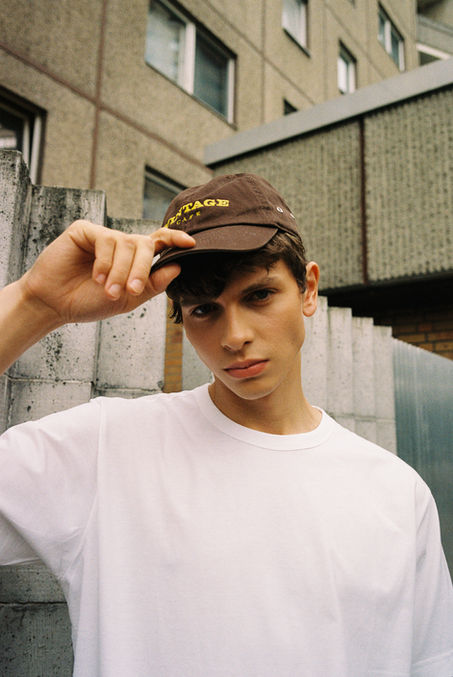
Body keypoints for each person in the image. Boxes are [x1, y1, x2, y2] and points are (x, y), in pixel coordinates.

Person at [0, 173, 452, 677]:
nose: (234, 336)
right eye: (203, 309)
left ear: (308, 290)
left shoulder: (397, 493)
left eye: (259, 295)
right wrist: (34, 304)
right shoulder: (107, 449)